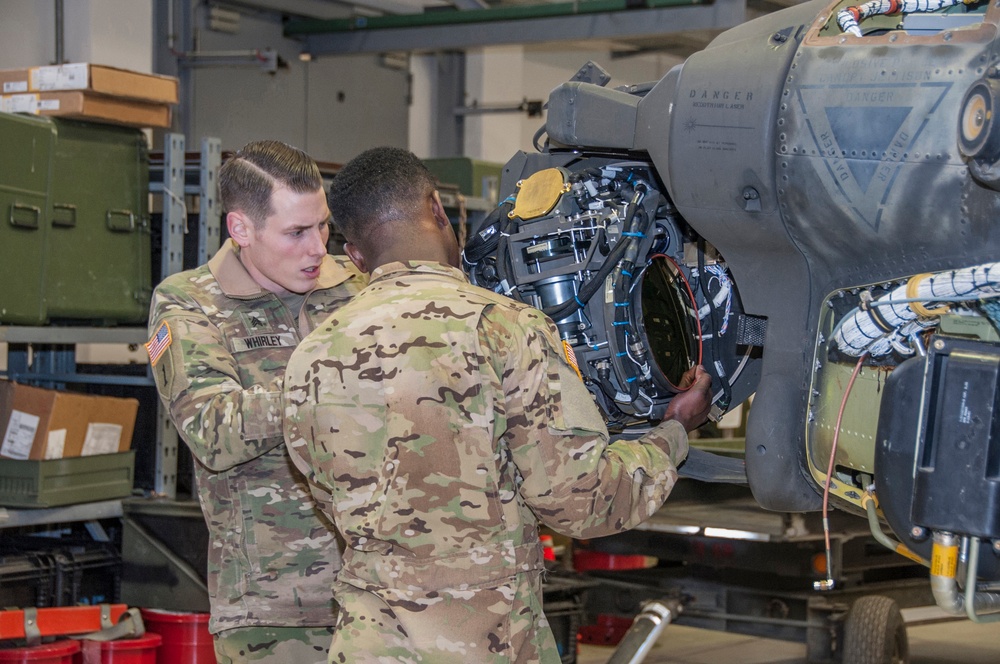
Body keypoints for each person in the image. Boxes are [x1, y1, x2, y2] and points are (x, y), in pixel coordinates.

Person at [282, 146, 712, 664]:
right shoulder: (506, 329)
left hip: (366, 644)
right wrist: (673, 434)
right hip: (488, 641)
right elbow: (582, 500)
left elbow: (327, 494)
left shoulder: (311, 353)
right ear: (438, 209)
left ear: (354, 256)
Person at [145, 140, 366, 663]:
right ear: (241, 228)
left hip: (378, 592)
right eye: (296, 233)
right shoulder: (188, 302)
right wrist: (339, 381)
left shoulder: (355, 287)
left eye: (323, 226)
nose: (318, 248)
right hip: (272, 608)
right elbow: (212, 429)